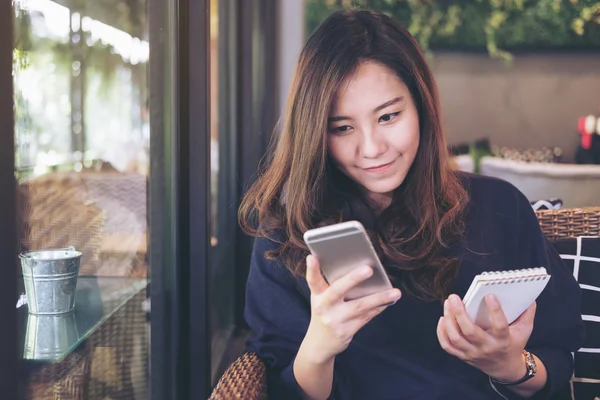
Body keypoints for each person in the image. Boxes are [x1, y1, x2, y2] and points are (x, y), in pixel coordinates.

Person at [238, 9, 584, 400]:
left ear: (421, 106)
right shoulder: (286, 234)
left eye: (388, 116)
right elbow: (278, 385)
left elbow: (558, 358)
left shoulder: (499, 207)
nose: (371, 149)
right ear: (316, 131)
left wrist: (509, 365)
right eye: (342, 127)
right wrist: (320, 345)